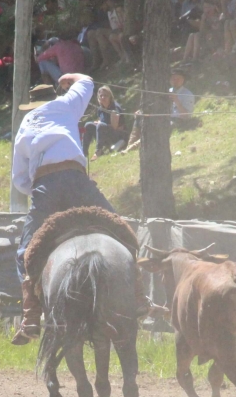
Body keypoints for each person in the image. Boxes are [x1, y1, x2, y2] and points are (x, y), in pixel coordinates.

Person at [9, 74, 145, 344]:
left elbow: (20, 178)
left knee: (25, 251)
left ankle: (31, 315)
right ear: (54, 96)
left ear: (31, 105)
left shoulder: (26, 122)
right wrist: (68, 77)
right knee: (120, 228)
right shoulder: (66, 104)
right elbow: (87, 82)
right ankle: (138, 296)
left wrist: (38, 188)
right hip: (77, 181)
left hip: (45, 187)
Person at [82, 85, 128, 159]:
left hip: (119, 137)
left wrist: (101, 124)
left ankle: (98, 151)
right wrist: (98, 122)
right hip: (107, 134)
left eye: (106, 95)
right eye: (101, 96)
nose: (103, 97)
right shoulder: (101, 108)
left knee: (101, 126)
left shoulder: (115, 108)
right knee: (88, 125)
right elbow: (102, 120)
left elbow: (115, 127)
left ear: (110, 96)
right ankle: (83, 153)